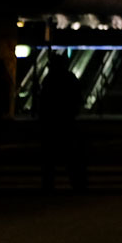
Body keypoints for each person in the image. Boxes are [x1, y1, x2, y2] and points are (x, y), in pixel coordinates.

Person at [39, 55, 85, 189]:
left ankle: (48, 183)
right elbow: (77, 98)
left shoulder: (49, 80)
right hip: (66, 120)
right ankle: (76, 183)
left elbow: (44, 100)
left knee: (50, 157)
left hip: (52, 122)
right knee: (71, 155)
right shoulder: (69, 78)